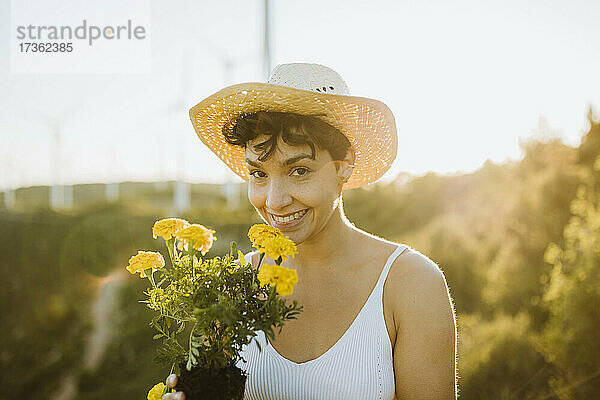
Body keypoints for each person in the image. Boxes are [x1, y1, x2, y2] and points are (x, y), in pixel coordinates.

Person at [162, 63, 457, 400]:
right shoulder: (234, 285)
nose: (274, 201)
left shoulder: (411, 284)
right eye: (258, 174)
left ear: (344, 165)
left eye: (299, 170)